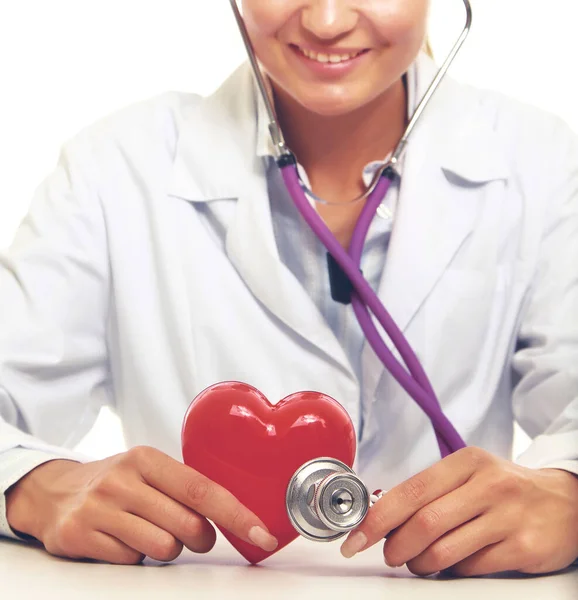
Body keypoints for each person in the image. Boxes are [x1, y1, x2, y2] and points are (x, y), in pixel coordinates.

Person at [1, 0, 577, 577]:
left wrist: (570, 493)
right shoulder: (115, 169)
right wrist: (27, 483)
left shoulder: (544, 165)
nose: (326, 21)